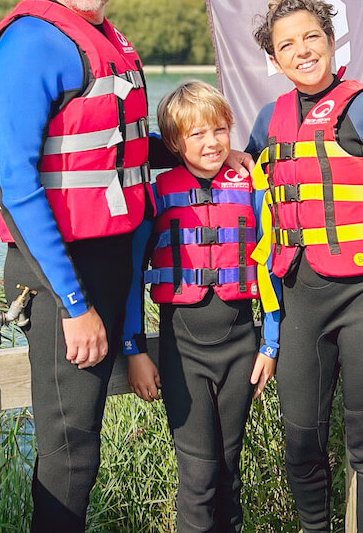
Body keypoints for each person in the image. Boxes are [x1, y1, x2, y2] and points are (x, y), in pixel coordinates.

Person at [0, 0, 250, 532]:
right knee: (71, 454)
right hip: (59, 272)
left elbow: (111, 153)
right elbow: (14, 187)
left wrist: (205, 149)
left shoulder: (103, 37)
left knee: (84, 451)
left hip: (107, 263)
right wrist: (74, 305)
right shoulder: (30, 43)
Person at [246, 0, 363, 532]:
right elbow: (235, 177)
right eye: (288, 45)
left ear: (331, 41)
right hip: (301, 301)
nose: (302, 51)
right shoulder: (268, 121)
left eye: (312, 36)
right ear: (275, 59)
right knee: (301, 437)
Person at [123, 80, 280, 533]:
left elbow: (269, 267)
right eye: (196, 134)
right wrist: (134, 351)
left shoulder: (252, 187)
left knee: (229, 473)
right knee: (198, 478)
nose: (211, 142)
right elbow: (132, 278)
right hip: (183, 352)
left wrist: (269, 346)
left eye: (219, 130)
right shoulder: (157, 193)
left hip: (240, 347)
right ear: (174, 144)